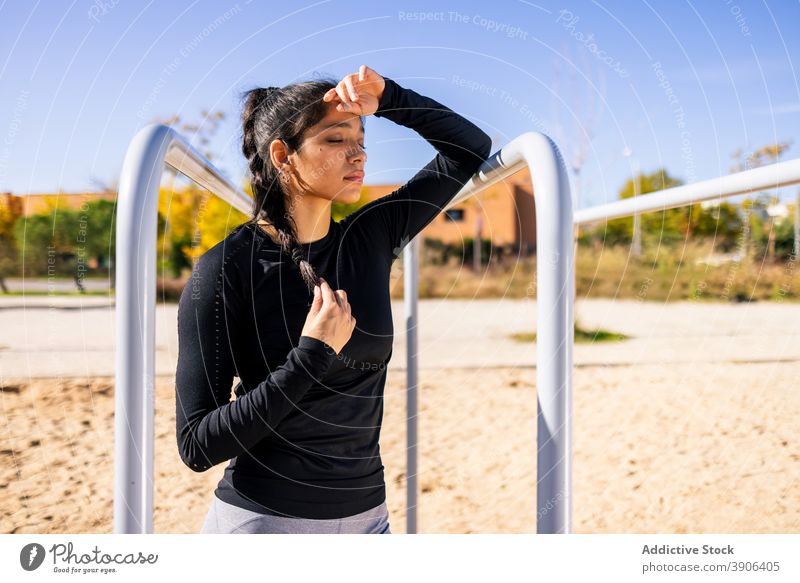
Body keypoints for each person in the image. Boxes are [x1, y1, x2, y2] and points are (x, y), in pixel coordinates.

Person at [175, 64, 492, 534]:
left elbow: (469, 149)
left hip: (370, 520)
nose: (358, 154)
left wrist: (389, 97)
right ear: (283, 155)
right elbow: (197, 445)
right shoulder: (225, 270)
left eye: (361, 140)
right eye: (335, 140)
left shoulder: (372, 235)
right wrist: (311, 357)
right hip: (265, 525)